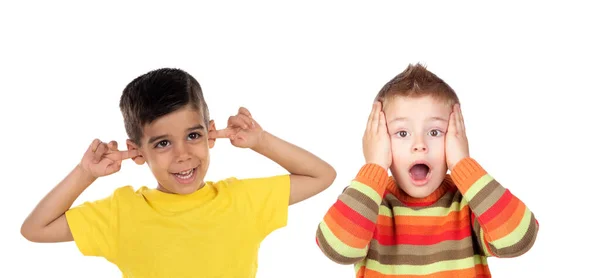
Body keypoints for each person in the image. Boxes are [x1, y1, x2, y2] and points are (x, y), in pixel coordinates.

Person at [21, 68, 337, 277]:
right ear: (137, 152)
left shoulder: (241, 199)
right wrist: (84, 173)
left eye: (193, 136)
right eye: (162, 143)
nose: (183, 154)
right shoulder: (122, 212)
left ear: (211, 134)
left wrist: (261, 141)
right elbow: (35, 229)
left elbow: (321, 175)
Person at [315, 63, 538, 277]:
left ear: (455, 138)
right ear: (380, 141)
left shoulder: (472, 202)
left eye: (434, 132)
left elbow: (518, 240)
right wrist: (374, 166)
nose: (419, 144)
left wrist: (462, 163)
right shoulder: (367, 201)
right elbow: (338, 249)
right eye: (402, 133)